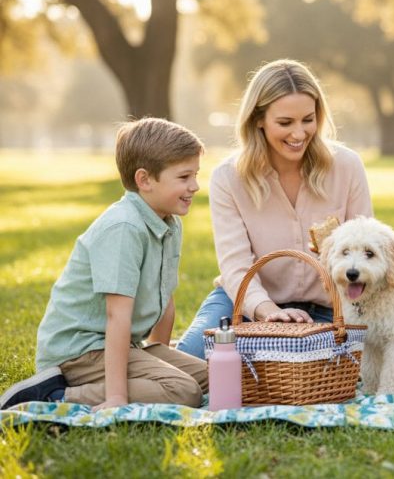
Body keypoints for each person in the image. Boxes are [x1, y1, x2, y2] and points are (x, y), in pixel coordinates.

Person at [0, 118, 208, 411]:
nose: (195, 186)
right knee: (184, 391)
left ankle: (137, 383)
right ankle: (55, 394)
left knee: (211, 378)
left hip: (119, 345)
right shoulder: (123, 228)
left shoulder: (169, 223)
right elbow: (116, 316)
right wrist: (116, 398)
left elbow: (165, 296)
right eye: (184, 177)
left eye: (196, 175)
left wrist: (155, 357)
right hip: (79, 352)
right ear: (144, 180)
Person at [176, 59, 372, 359]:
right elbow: (236, 266)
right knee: (193, 358)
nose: (299, 134)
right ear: (258, 119)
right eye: (285, 123)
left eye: (308, 119)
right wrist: (268, 311)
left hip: (330, 310)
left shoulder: (346, 166)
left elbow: (366, 247)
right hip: (247, 303)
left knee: (333, 368)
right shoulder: (228, 178)